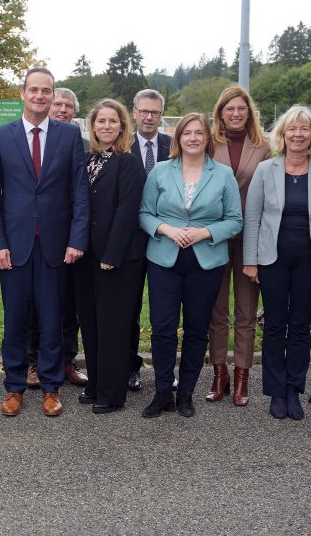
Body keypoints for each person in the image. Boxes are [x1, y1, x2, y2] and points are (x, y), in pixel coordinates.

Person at [0, 67, 89, 418]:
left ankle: (50, 387)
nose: (40, 96)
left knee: (51, 320)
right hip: (14, 247)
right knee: (14, 320)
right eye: (34, 90)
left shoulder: (69, 135)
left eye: (47, 91)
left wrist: (77, 239)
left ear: (53, 94)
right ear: (23, 94)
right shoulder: (1, 136)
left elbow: (79, 192)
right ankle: (14, 388)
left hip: (57, 247)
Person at [138, 113, 242, 418]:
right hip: (164, 259)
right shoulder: (159, 171)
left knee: (197, 330)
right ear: (178, 138)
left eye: (199, 133)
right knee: (163, 329)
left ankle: (185, 394)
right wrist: (167, 230)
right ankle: (161, 393)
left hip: (206, 261)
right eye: (187, 133)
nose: (193, 138)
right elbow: (144, 214)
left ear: (207, 138)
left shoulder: (222, 174)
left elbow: (235, 220)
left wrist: (204, 232)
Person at [243, 105, 311, 421]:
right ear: (282, 135)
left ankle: (292, 390)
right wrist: (251, 261)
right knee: (274, 325)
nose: (298, 134)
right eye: (291, 129)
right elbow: (253, 217)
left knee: (300, 326)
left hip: (310, 260)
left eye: (304, 129)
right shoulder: (265, 169)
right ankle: (274, 391)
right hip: (272, 259)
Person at [74, 99, 146, 414]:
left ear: (121, 126)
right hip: (85, 255)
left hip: (116, 258)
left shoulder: (128, 162)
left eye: (112, 121)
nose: (106, 126)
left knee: (112, 325)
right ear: (92, 126)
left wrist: (111, 253)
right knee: (90, 322)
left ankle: (113, 393)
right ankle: (96, 383)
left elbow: (127, 211)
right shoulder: (87, 159)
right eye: (101, 121)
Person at [206, 86, 272, 406]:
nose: (235, 114)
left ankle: (243, 377)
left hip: (251, 239)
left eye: (241, 109)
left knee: (246, 313)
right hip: (215, 238)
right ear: (220, 112)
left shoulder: (264, 146)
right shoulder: (208, 143)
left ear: (249, 112)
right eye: (229, 109)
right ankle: (220, 375)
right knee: (216, 312)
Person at [25, 87, 88, 390]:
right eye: (58, 104)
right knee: (36, 307)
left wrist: (77, 236)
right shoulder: (28, 139)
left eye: (68, 106)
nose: (62, 109)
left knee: (67, 305)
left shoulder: (79, 142)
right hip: (35, 237)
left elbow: (80, 193)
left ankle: (67, 360)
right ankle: (34, 362)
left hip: (68, 238)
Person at [127, 89, 172, 392]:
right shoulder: (121, 144)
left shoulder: (173, 146)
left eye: (154, 112)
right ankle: (131, 367)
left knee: (164, 310)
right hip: (128, 239)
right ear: (134, 112)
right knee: (128, 307)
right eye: (144, 111)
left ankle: (165, 370)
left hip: (164, 238)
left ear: (161, 115)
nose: (148, 117)